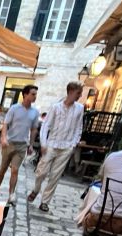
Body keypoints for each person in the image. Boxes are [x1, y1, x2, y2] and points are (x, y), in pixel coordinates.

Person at [27, 82, 84, 212]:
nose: (79, 96)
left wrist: (73, 144)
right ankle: (36, 190)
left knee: (55, 175)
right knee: (41, 172)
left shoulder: (80, 108)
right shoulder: (55, 107)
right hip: (51, 144)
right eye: (78, 93)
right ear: (70, 92)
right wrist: (43, 143)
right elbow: (46, 126)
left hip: (66, 147)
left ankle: (45, 201)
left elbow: (78, 128)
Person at [0, 85, 40, 205]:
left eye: (35, 94)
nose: (35, 96)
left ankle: (11, 194)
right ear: (25, 94)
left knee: (15, 170)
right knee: (2, 169)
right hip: (9, 143)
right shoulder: (14, 108)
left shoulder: (35, 112)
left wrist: (31, 144)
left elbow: (34, 129)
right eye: (33, 94)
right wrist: (3, 138)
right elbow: (6, 124)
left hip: (22, 145)